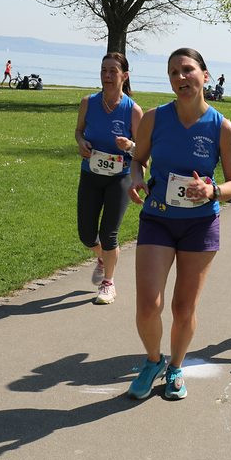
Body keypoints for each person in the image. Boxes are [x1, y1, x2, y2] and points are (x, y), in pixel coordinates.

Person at [126, 48, 231, 400]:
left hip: (199, 225)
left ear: (205, 76)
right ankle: (152, 360)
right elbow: (138, 161)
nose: (181, 78)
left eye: (188, 70)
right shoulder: (153, 118)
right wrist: (136, 179)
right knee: (149, 305)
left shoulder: (221, 126)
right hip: (158, 219)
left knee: (183, 308)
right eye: (173, 72)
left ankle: (176, 366)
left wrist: (212, 189)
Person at [74, 52, 143, 305]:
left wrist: (129, 146)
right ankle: (102, 257)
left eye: (112, 71)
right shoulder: (88, 102)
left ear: (124, 76)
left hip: (119, 178)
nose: (107, 76)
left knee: (109, 233)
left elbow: (143, 151)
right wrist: (81, 142)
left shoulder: (133, 110)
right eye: (104, 70)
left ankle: (108, 283)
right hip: (91, 174)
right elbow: (79, 131)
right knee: (86, 234)